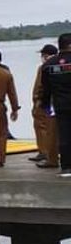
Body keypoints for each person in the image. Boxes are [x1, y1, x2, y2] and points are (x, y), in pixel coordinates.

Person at [37, 33, 71, 177]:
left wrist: (44, 104)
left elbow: (46, 88)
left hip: (60, 105)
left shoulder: (48, 65)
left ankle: (67, 167)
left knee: (64, 135)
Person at [32, 43, 59, 167]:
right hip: (57, 102)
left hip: (45, 103)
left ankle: (45, 152)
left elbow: (40, 86)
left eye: (43, 54)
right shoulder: (60, 65)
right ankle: (49, 152)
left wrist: (38, 100)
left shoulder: (44, 67)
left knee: (42, 126)